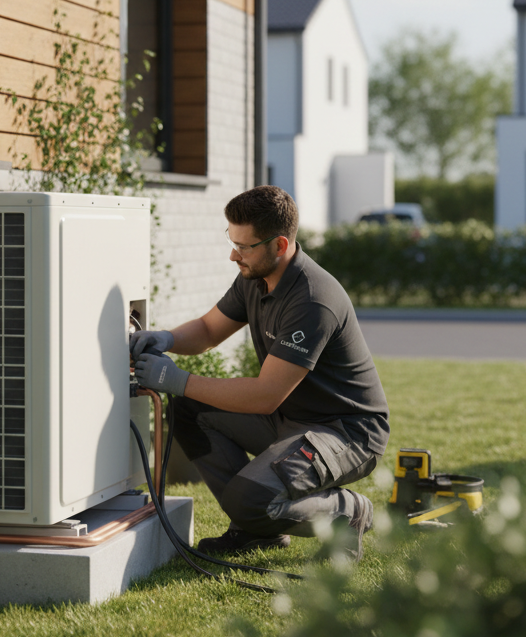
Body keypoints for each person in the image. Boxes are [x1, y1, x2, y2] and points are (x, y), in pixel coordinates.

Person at [131, 185, 389, 560]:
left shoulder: (313, 300)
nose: (233, 254)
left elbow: (265, 395)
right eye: (232, 240)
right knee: (188, 412)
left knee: (252, 499)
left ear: (280, 245)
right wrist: (165, 338)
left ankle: (346, 511)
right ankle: (256, 532)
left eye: (244, 246)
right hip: (291, 419)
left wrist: (176, 380)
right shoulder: (255, 276)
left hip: (345, 432)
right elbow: (207, 331)